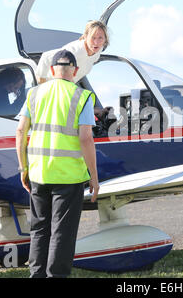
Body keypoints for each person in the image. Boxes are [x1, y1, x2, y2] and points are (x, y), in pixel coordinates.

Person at [15, 49, 100, 278]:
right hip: (68, 176)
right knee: (62, 232)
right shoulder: (82, 97)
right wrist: (94, 175)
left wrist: (23, 167)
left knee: (39, 229)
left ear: (52, 71)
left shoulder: (33, 94)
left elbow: (21, 130)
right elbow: (85, 138)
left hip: (39, 174)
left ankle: (37, 275)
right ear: (75, 71)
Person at [36, 20, 111, 121]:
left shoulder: (97, 51)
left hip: (67, 89)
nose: (96, 42)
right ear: (85, 36)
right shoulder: (75, 51)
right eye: (93, 38)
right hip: (53, 90)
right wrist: (42, 89)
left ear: (105, 39)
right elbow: (45, 57)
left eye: (100, 38)